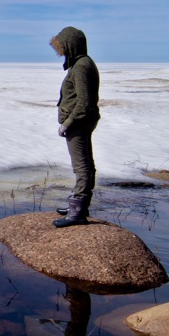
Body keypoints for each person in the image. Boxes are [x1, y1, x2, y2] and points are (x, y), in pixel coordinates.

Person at [50, 26, 100, 227]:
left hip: (79, 122)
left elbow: (84, 103)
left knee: (82, 167)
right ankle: (79, 205)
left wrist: (68, 123)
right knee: (84, 164)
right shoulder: (80, 63)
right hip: (80, 122)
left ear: (71, 45)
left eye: (62, 47)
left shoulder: (81, 66)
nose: (60, 51)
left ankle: (78, 211)